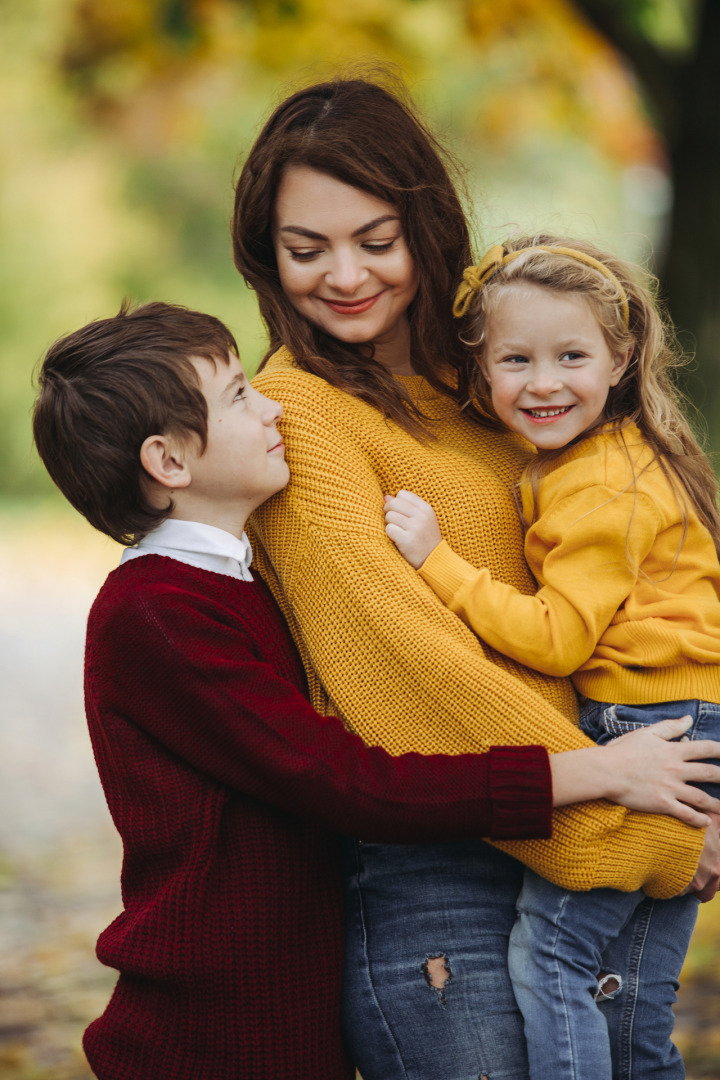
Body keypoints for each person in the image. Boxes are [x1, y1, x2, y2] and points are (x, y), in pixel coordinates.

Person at [32, 299, 666, 1080]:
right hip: (208, 1036)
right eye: (239, 395)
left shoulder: (240, 584)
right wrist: (596, 774)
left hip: (280, 1019)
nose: (274, 407)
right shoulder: (156, 614)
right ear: (169, 462)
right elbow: (347, 780)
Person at [232, 75, 720, 1080]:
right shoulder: (303, 413)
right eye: (305, 246)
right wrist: (649, 834)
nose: (345, 274)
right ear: (265, 255)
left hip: (589, 831)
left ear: (427, 222)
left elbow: (647, 596)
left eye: (376, 238)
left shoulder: (500, 385)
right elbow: (412, 674)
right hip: (445, 887)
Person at [384, 234, 720, 1079]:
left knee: (554, 958)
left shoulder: (603, 484)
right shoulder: (612, 457)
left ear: (620, 356)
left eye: (571, 355)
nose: (542, 382)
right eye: (515, 359)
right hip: (689, 719)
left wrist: (440, 563)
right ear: (480, 368)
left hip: (648, 726)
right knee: (631, 996)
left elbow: (558, 636)